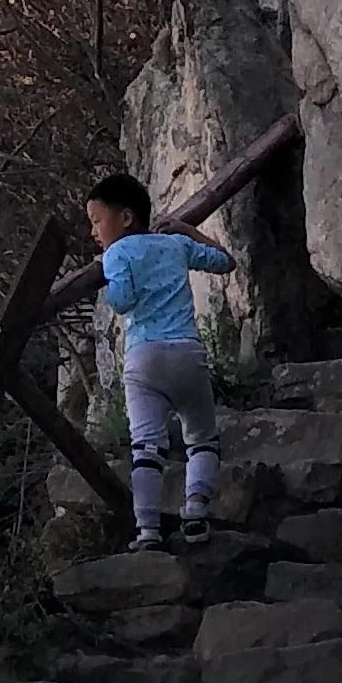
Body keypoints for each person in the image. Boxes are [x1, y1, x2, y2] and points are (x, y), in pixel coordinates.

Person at [84, 170, 236, 548]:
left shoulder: (116, 253)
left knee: (146, 447)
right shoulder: (174, 246)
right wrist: (189, 231)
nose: (93, 231)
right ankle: (196, 509)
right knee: (201, 439)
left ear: (125, 218)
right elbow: (225, 262)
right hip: (187, 352)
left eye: (96, 221)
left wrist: (110, 265)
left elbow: (121, 301)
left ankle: (148, 530)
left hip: (144, 359)